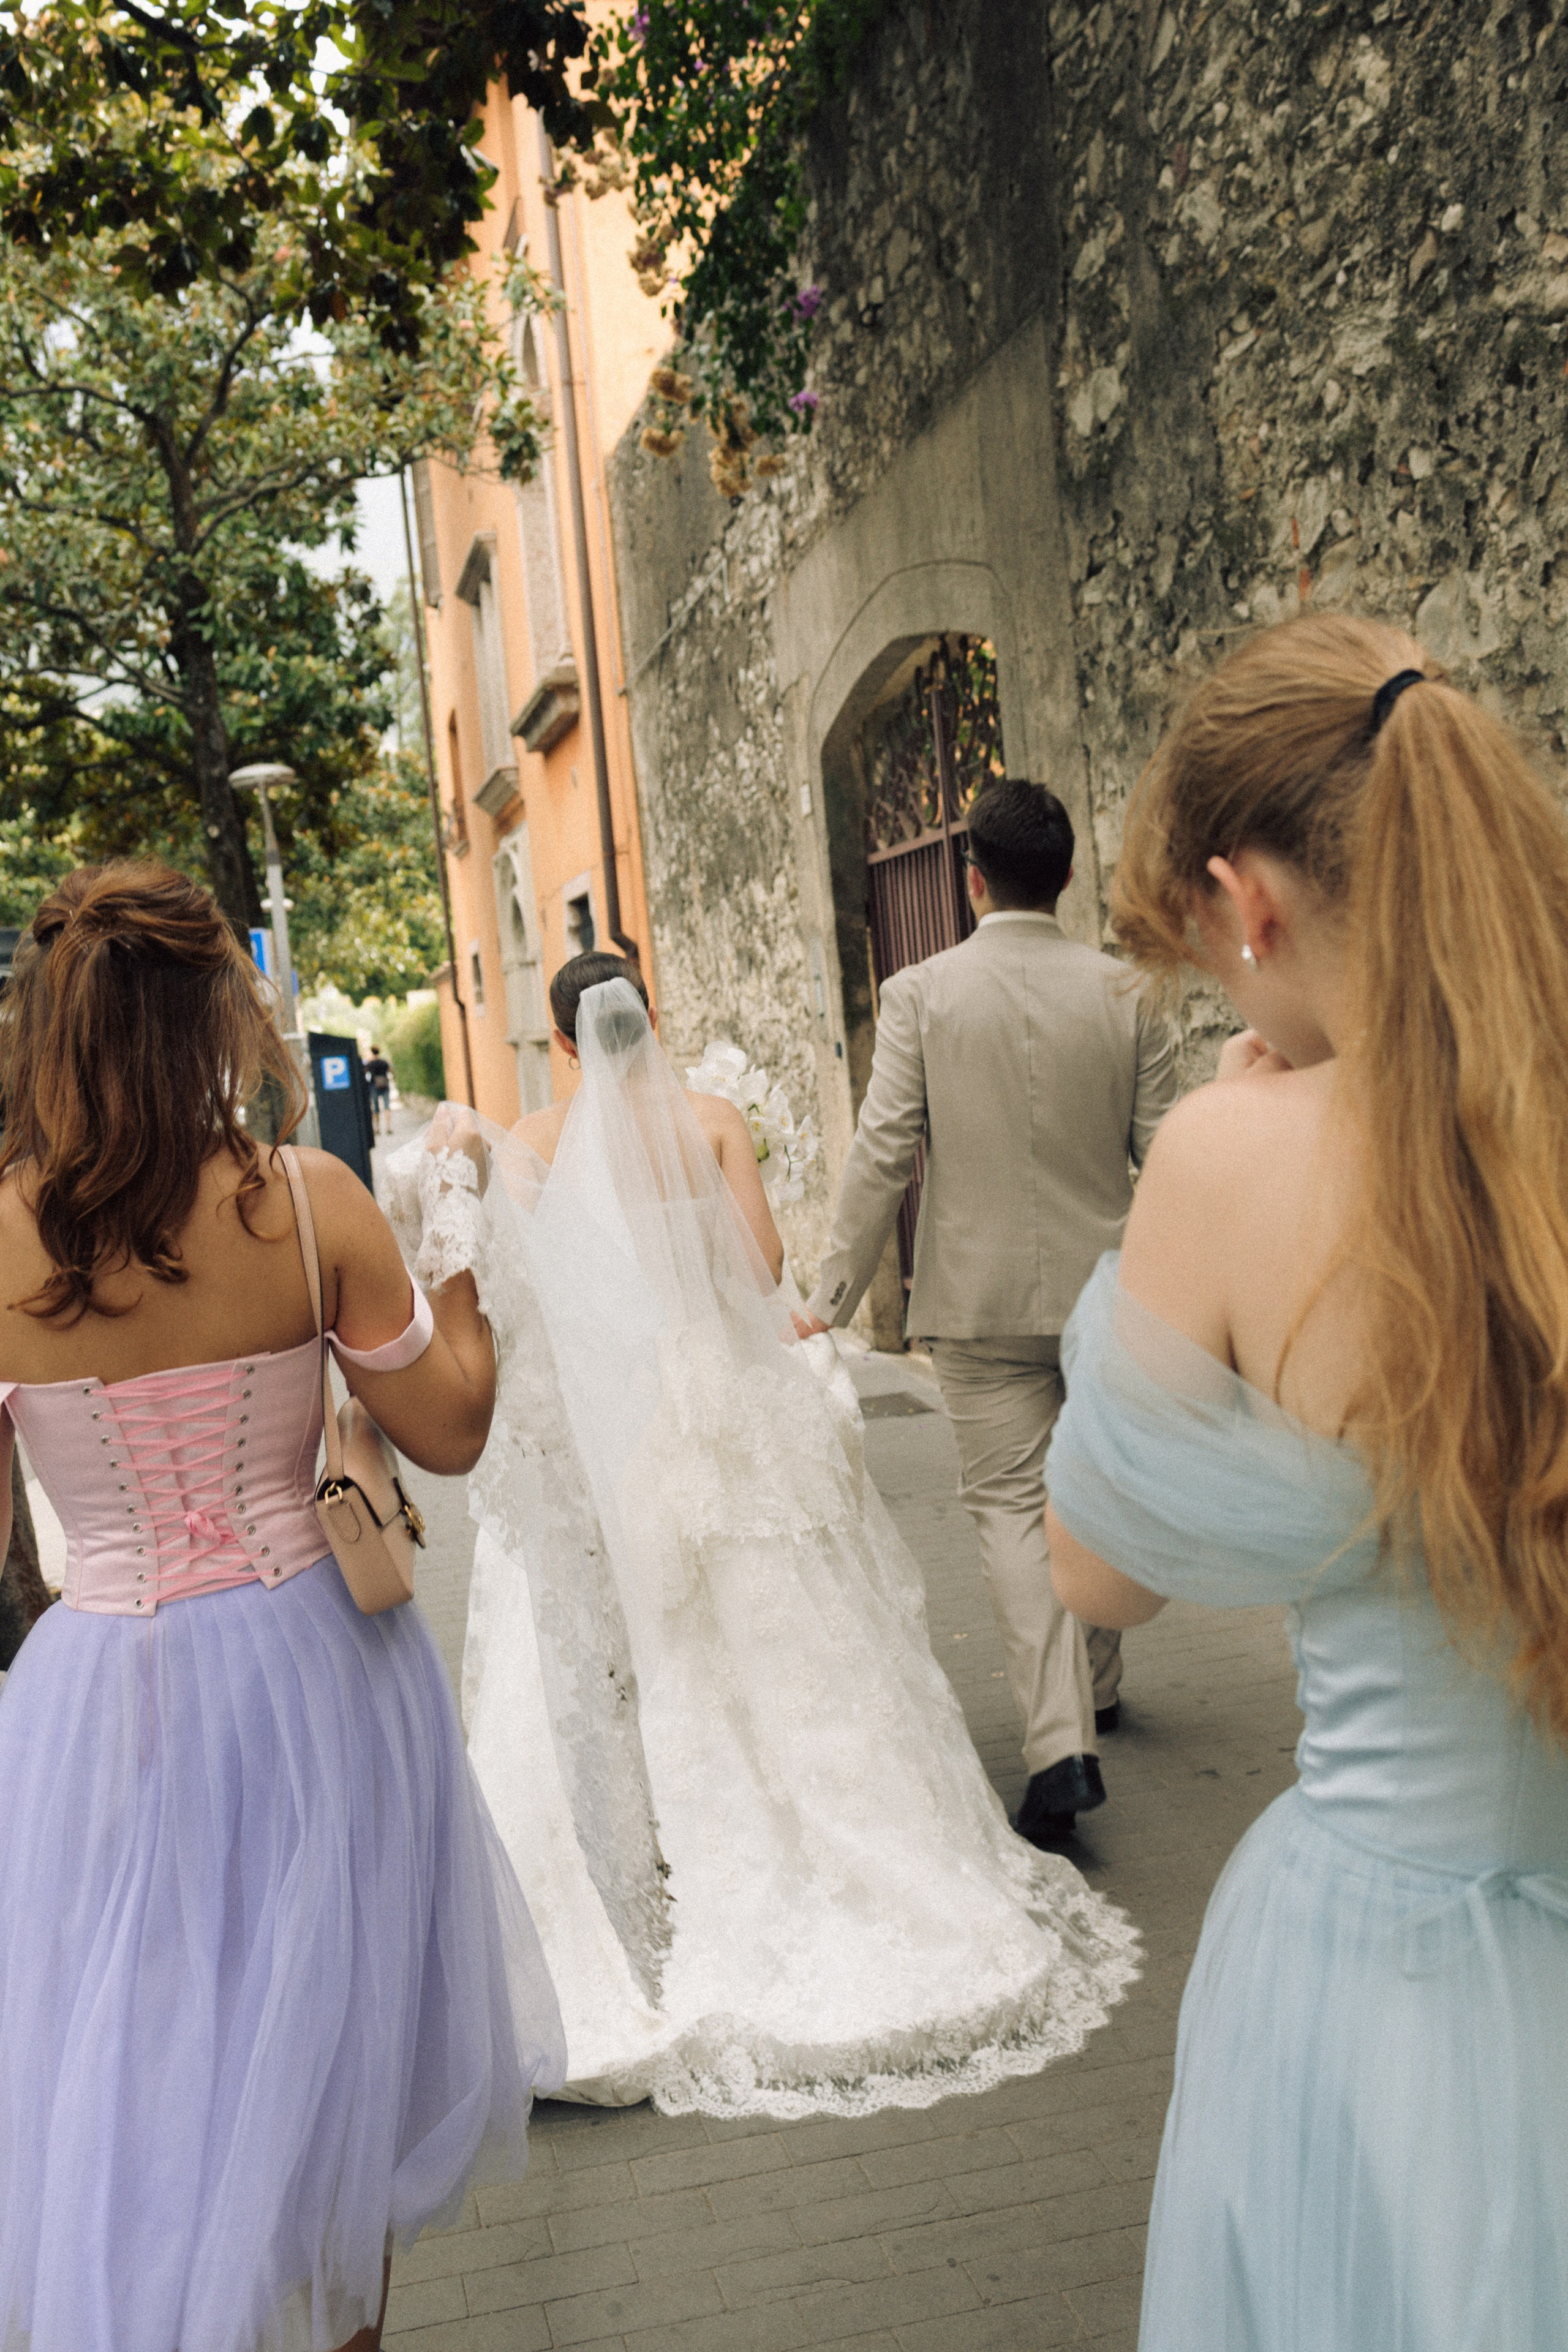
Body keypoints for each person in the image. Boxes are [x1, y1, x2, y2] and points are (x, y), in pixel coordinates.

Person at [1043, 613, 1568, 2350]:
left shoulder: (1233, 1154)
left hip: (1382, 1975)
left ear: (1248, 901)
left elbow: (1097, 1576)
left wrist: (1185, 1215)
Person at [383, 953, 1140, 2117]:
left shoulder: (534, 1140)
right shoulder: (713, 1120)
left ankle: (647, 1872)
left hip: (622, 1420)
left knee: (643, 1635)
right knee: (775, 1621)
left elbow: (539, 1293)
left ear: (567, 1043)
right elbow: (765, 1265)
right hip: (726, 1403)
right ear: (649, 1020)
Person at [0, 864, 564, 2352]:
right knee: (321, 2055)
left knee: (135, 2067)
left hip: (94, 1696)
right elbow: (447, 1424)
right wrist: (460, 1251)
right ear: (212, 1015)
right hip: (313, 1670)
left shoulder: (0, 1238)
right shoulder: (305, 1206)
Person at [799, 780, 1178, 1845]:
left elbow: (883, 1151)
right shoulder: (1130, 994)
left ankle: (1064, 1745)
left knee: (1013, 1509)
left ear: (971, 879)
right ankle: (1100, 1679)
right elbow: (1174, 1154)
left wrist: (829, 1295)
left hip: (972, 1303)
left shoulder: (920, 993)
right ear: (1067, 877)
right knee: (1100, 1483)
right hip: (1109, 1294)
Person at [364, 1044, 393, 1137]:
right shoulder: (384, 1062)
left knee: (376, 1108)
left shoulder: (370, 1064)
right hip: (385, 1085)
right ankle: (388, 1127)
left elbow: (364, 1072)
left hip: (374, 1086)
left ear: (372, 1052)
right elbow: (391, 1071)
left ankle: (377, 1129)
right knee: (387, 1107)